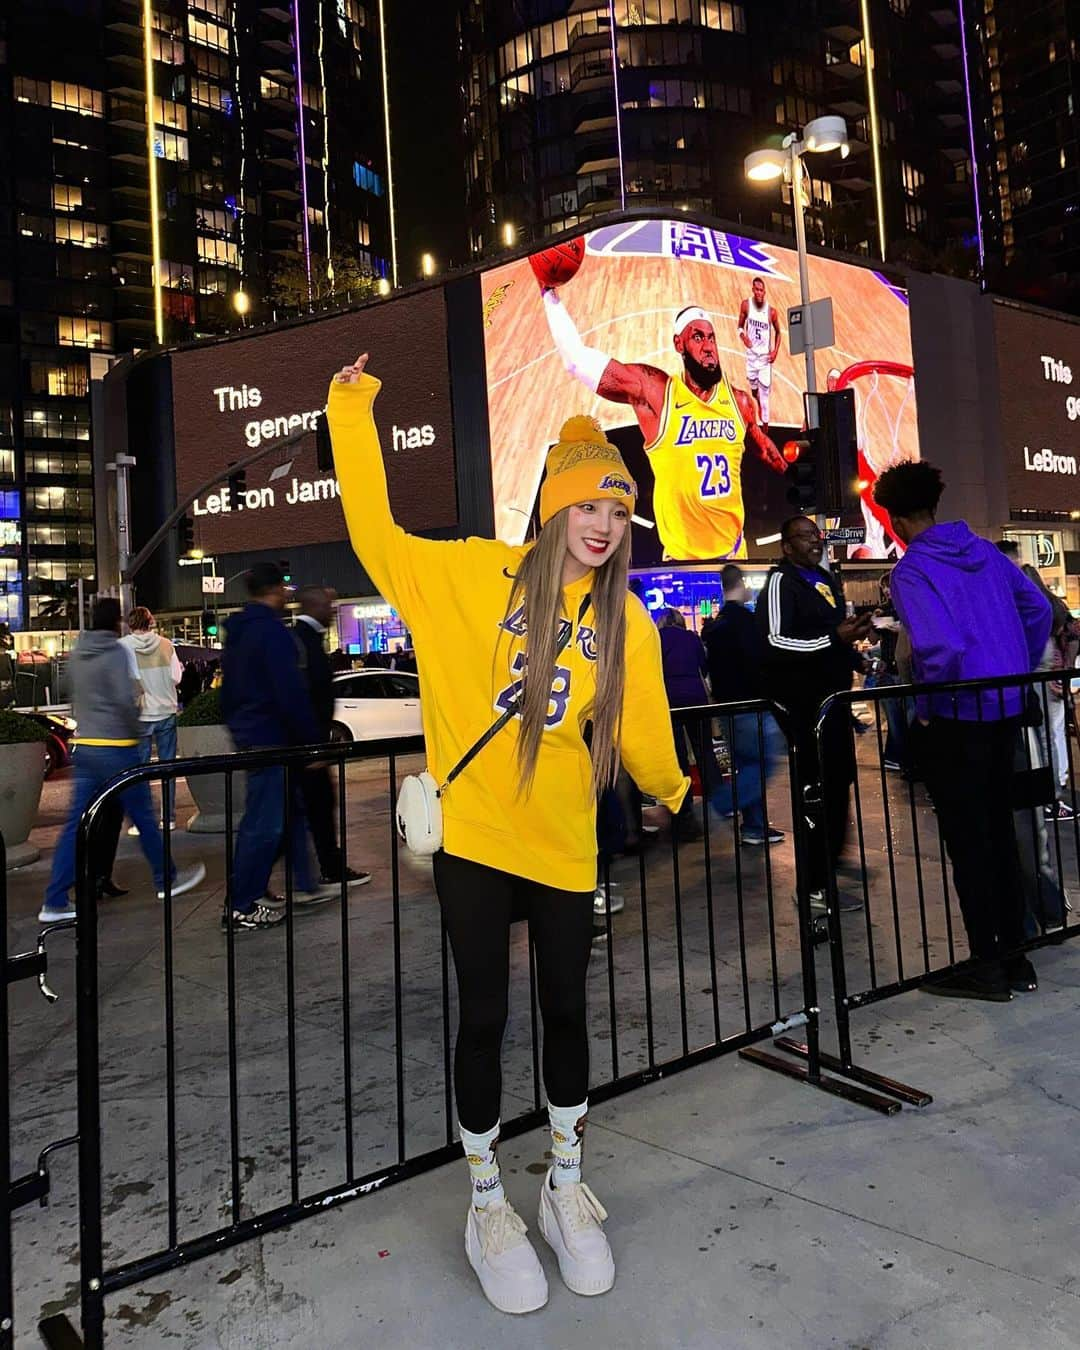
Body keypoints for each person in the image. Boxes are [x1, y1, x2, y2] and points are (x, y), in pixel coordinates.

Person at [327, 355, 689, 1317]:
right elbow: (377, 533)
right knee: (484, 1013)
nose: (604, 527)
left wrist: (676, 788)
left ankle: (565, 1183)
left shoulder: (627, 624)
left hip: (569, 844)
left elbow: (645, 727)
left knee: (567, 1013)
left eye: (618, 511)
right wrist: (352, 411)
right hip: (477, 844)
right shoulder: (470, 574)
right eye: (589, 507)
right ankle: (487, 1198)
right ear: (554, 506)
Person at [873, 461, 1052, 1000]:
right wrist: (1011, 661)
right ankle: (1016, 960)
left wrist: (926, 705)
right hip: (1004, 714)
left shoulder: (912, 571)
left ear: (895, 519)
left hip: (956, 720)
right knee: (999, 837)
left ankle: (987, 967)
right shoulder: (986, 554)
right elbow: (1038, 609)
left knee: (968, 845)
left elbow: (940, 647)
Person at [540, 286, 787, 561]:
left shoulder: (739, 402)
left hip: (735, 555)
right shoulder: (658, 393)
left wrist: (794, 472)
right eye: (697, 337)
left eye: (711, 338)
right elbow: (576, 361)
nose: (708, 347)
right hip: (682, 563)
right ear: (679, 344)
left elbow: (759, 445)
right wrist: (548, 293)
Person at [38, 599, 205, 923]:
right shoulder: (116, 653)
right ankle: (165, 879)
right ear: (115, 623)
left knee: (75, 827)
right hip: (117, 747)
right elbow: (127, 699)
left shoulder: (78, 654)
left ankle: (54, 900)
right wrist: (132, 724)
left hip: (85, 747)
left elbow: (64, 688)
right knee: (143, 817)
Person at [757, 518, 873, 911]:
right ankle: (813, 886)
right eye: (804, 536)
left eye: (816, 535)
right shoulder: (780, 582)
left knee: (839, 782)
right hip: (805, 706)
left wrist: (853, 648)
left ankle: (829, 863)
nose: (814, 541)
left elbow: (830, 637)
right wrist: (832, 639)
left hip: (833, 702)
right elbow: (773, 641)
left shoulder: (824, 580)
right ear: (787, 546)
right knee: (815, 790)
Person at [219, 563, 337, 931]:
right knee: (265, 824)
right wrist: (312, 743)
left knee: (271, 819)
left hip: (251, 734)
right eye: (285, 588)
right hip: (272, 737)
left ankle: (251, 893)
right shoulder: (272, 634)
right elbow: (290, 693)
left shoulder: (238, 633)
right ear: (277, 591)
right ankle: (241, 904)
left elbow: (228, 692)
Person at [293, 585, 371, 889]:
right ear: (315, 607)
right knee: (318, 808)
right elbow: (307, 695)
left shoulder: (305, 638)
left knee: (314, 810)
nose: (332, 610)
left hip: (310, 744)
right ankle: (327, 871)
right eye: (328, 605)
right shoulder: (304, 640)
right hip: (309, 746)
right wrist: (314, 747)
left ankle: (317, 874)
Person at [704, 564, 784, 846]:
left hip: (725, 706)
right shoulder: (746, 623)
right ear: (741, 584)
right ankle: (721, 804)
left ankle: (755, 826)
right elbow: (758, 663)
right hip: (750, 704)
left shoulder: (715, 625)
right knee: (764, 765)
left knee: (747, 765)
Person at [121, 606, 183, 832]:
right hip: (166, 710)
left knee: (139, 771)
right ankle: (169, 818)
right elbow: (176, 677)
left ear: (130, 624)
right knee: (168, 768)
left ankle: (141, 822)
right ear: (151, 622)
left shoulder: (123, 646)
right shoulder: (167, 645)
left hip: (140, 714)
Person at [656, 607, 709, 839]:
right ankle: (719, 800)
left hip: (670, 699)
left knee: (678, 756)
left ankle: (683, 808)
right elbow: (703, 666)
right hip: (696, 695)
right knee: (704, 749)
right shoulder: (691, 638)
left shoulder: (657, 638)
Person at [737, 277, 782, 435]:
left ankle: (765, 432)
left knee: (764, 399)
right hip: (751, 358)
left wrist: (775, 351)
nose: (759, 293)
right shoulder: (746, 305)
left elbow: (779, 333)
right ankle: (756, 393)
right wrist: (743, 337)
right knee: (754, 390)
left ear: (765, 292)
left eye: (761, 290)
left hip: (764, 360)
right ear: (753, 290)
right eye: (756, 289)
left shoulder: (772, 312)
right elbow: (739, 327)